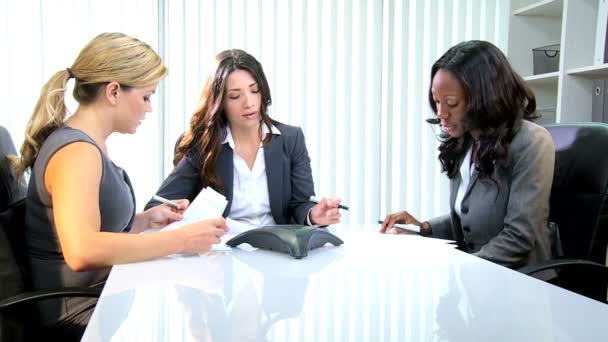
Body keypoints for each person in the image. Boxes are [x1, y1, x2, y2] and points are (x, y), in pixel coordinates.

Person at [13, 32, 227, 340]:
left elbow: (89, 225)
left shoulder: (88, 145)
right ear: (113, 91)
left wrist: (144, 221)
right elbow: (82, 250)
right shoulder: (77, 153)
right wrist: (182, 240)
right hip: (81, 317)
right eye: (146, 96)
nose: (149, 108)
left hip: (104, 296)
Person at [380, 40, 556, 269]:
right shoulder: (465, 141)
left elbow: (518, 238)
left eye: (451, 103)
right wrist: (423, 228)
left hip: (521, 283)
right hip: (478, 279)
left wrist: (462, 271)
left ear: (485, 98)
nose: (441, 113)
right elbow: (468, 219)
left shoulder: (532, 142)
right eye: (436, 101)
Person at [145, 49, 341, 227]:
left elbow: (301, 204)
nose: (249, 103)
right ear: (219, 101)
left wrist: (313, 215)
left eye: (254, 90)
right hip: (222, 251)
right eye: (235, 96)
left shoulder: (291, 139)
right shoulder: (202, 144)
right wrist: (184, 213)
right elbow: (158, 206)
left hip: (277, 247)